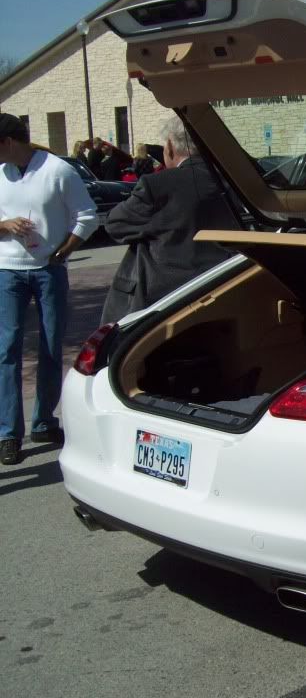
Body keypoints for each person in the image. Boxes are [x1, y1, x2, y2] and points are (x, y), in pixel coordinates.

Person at [0, 113, 98, 465]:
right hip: (7, 271)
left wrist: (65, 249)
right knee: (6, 350)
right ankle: (8, 433)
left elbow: (87, 215)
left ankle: (43, 420)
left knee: (50, 346)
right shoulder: (1, 174)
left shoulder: (57, 170)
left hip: (48, 271)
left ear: (9, 142)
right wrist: (5, 224)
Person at [101, 116, 237, 325]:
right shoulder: (234, 181)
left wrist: (151, 227)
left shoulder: (158, 185)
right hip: (227, 285)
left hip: (165, 298)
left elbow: (115, 224)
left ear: (171, 146)